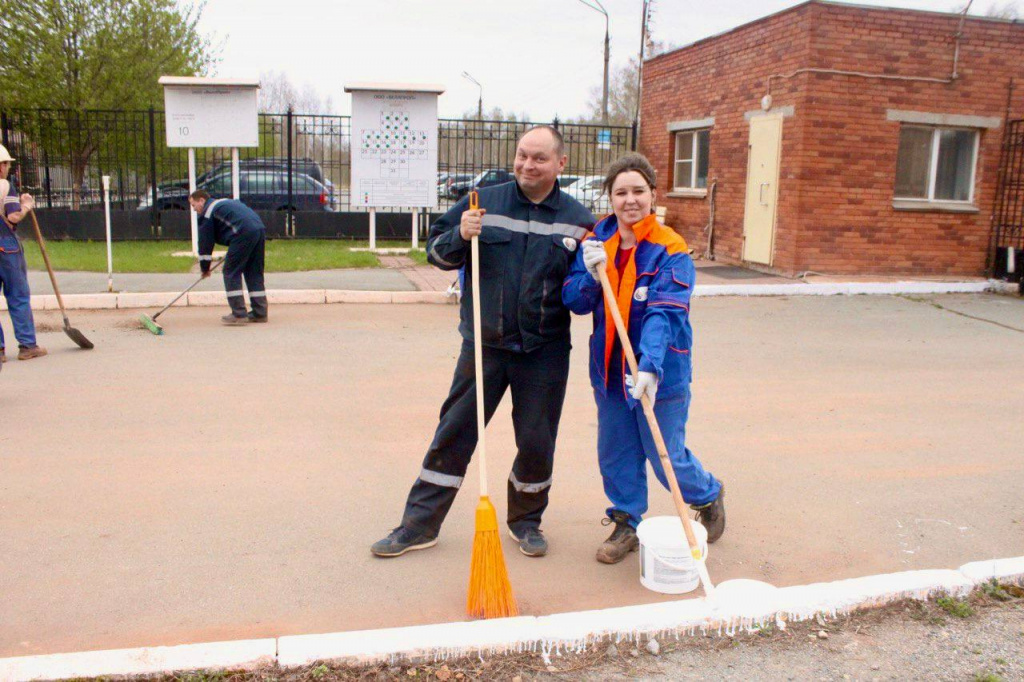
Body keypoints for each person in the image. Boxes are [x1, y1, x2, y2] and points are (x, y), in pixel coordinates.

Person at [372, 126, 595, 558]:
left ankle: (526, 521)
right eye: (522, 155)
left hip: (544, 352)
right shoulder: (481, 202)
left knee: (536, 440)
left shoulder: (578, 219)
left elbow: (582, 291)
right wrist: (461, 234)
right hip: (484, 347)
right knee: (453, 433)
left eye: (539, 158)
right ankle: (418, 525)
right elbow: (435, 254)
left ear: (561, 164)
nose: (528, 165)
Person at [562, 153, 725, 565]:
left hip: (661, 372)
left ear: (653, 194)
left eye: (638, 191)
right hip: (610, 372)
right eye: (621, 192)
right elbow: (575, 302)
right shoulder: (596, 243)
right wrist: (586, 272)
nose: (630, 200)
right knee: (615, 450)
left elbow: (665, 312)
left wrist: (651, 365)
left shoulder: (670, 249)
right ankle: (626, 521)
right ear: (610, 198)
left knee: (662, 452)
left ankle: (706, 493)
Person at [187, 191, 268, 325]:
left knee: (231, 271)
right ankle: (260, 313)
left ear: (201, 200)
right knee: (253, 271)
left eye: (194, 205)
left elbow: (205, 244)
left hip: (242, 232)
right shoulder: (224, 203)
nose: (194, 209)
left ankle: (238, 314)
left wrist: (205, 268)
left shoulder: (207, 213)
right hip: (258, 229)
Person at [0, 144, 47, 362]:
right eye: (7, 164)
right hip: (6, 245)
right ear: (2, 166)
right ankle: (27, 345)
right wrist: (26, 205)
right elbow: (13, 217)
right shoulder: (5, 186)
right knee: (18, 295)